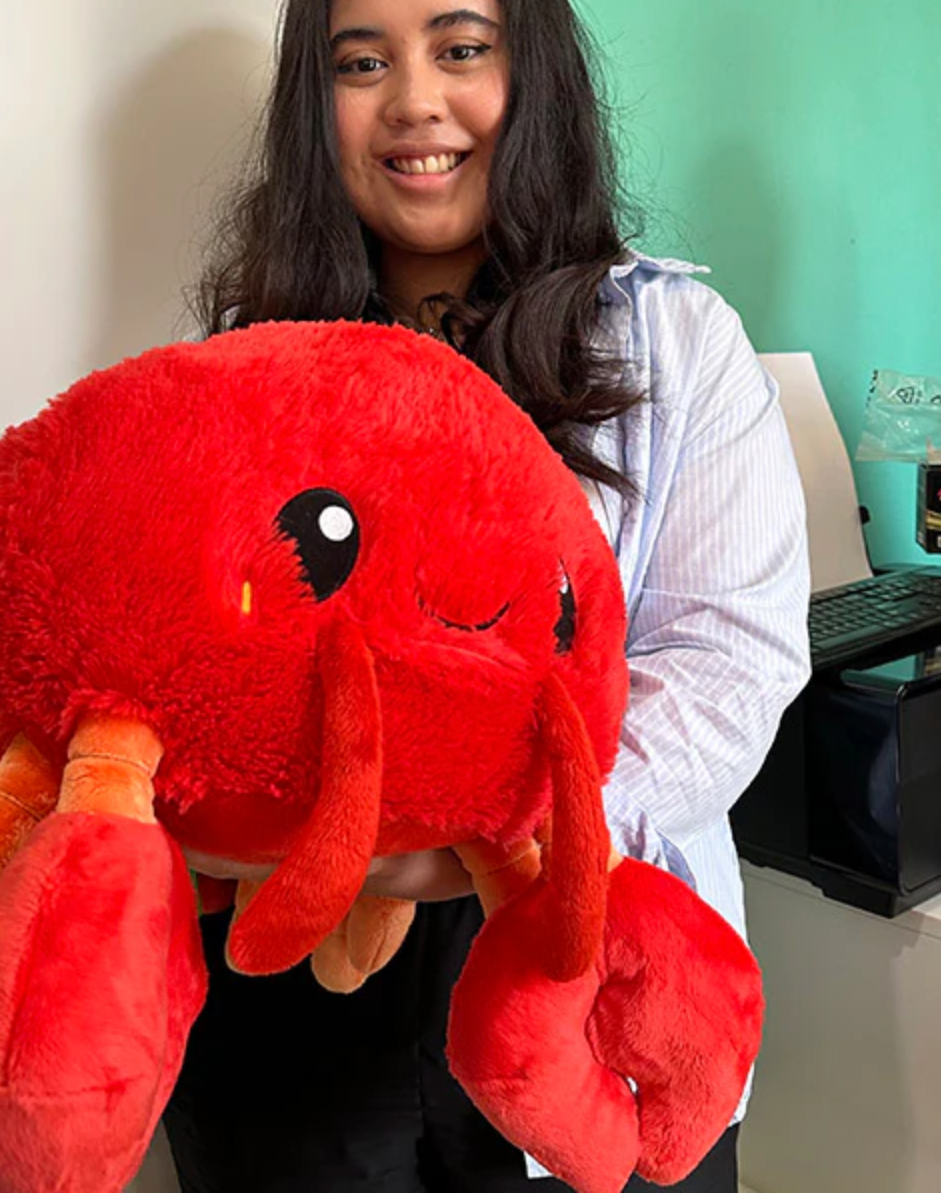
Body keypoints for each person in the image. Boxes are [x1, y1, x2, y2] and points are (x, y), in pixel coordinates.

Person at [163, 1, 811, 1190]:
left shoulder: (672, 341)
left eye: (462, 49)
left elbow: (730, 660)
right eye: (361, 63)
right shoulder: (246, 364)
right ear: (318, 109)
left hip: (578, 952)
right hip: (297, 991)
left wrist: (481, 834)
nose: (414, 100)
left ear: (536, 77)